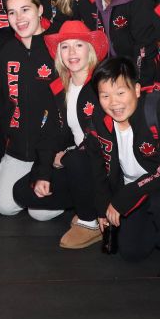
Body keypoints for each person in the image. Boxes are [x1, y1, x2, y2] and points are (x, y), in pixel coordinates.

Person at [85, 57, 160, 284]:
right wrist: (103, 208)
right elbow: (98, 169)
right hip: (134, 189)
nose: (114, 103)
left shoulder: (158, 110)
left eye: (121, 93)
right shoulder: (98, 122)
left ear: (137, 90)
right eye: (105, 96)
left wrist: (126, 196)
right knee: (131, 252)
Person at [30, 20, 110, 242]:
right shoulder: (59, 87)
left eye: (79, 45)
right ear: (59, 54)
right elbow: (50, 134)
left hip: (103, 165)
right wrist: (44, 173)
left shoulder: (101, 85)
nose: (72, 52)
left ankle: (89, 221)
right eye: (65, 47)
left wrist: (67, 155)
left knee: (75, 160)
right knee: (23, 192)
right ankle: (84, 203)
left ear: (90, 50)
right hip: (77, 163)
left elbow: (101, 138)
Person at [0, 0, 61, 217]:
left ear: (40, 10)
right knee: (5, 207)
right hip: (20, 149)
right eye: (12, 12)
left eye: (25, 9)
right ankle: (12, 173)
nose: (19, 18)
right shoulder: (6, 52)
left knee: (40, 214)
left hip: (53, 151)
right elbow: (2, 104)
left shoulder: (59, 47)